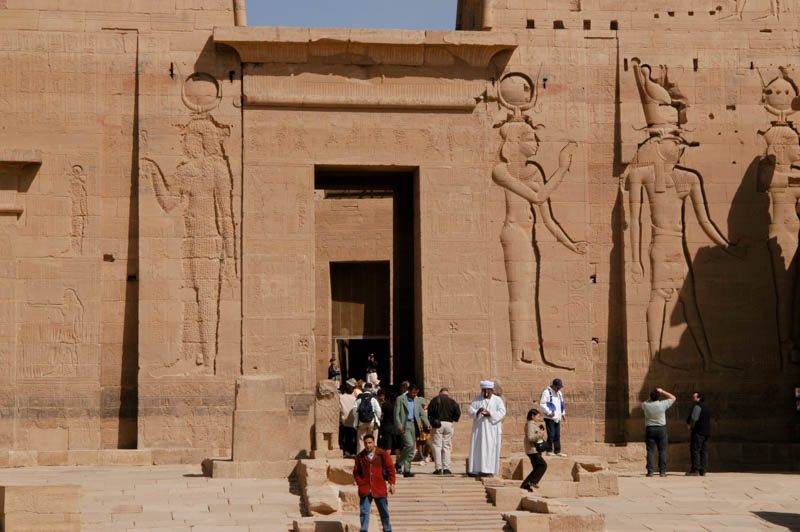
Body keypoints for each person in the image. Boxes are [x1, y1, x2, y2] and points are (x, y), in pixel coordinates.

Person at [353, 434, 395, 532]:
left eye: (370, 443)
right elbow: (356, 472)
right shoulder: (360, 457)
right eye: (366, 443)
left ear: (374, 443)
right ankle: (364, 530)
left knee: (384, 512)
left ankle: (387, 529)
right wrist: (360, 483)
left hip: (379, 488)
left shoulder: (382, 454)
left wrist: (392, 484)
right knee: (364, 512)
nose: (368, 445)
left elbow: (391, 469)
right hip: (365, 489)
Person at [467, 380, 506, 476]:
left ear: (491, 390)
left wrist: (491, 414)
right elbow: (470, 410)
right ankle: (476, 469)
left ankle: (488, 470)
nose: (486, 393)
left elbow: (502, 412)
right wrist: (477, 411)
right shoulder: (477, 399)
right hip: (479, 429)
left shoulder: (497, 400)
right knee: (478, 448)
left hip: (492, 429)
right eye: (484, 390)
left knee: (490, 448)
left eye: (488, 390)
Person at [393, 383, 430, 477]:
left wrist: (427, 424)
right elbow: (396, 414)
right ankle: (398, 463)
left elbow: (421, 413)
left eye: (416, 393)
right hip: (404, 425)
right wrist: (399, 426)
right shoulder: (400, 399)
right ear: (409, 391)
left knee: (411, 448)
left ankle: (407, 470)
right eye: (413, 393)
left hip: (414, 425)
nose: (414, 395)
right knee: (409, 445)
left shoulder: (417, 400)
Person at [641, 387, 676, 477]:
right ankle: (662, 471)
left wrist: (651, 397)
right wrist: (662, 391)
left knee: (650, 451)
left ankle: (650, 471)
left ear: (650, 397)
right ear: (658, 397)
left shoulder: (646, 405)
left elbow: (645, 402)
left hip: (650, 429)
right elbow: (673, 398)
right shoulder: (662, 404)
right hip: (661, 429)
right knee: (662, 451)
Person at [427, 387, 461, 475]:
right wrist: (453, 418)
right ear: (447, 393)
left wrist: (431, 422)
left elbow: (429, 413)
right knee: (447, 446)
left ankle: (438, 468)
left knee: (437, 446)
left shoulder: (435, 400)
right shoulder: (452, 401)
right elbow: (457, 413)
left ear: (440, 393)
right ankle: (446, 468)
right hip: (449, 424)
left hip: (437, 424)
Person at [521, 408, 548, 491]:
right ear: (532, 416)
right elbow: (530, 437)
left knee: (537, 468)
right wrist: (541, 434)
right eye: (537, 416)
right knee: (543, 465)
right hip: (532, 450)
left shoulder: (533, 424)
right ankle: (533, 482)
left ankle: (525, 485)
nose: (538, 418)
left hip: (534, 450)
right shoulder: (530, 424)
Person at [539, 378, 567, 456]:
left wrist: (563, 414)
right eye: (557, 387)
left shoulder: (559, 393)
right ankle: (549, 450)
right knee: (551, 434)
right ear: (553, 386)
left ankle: (557, 451)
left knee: (557, 434)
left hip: (557, 417)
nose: (558, 389)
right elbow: (542, 404)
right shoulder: (546, 392)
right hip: (549, 417)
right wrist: (549, 412)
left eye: (559, 387)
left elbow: (561, 404)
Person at [353, 382, 382, 454]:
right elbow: (378, 411)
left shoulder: (359, 398)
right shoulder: (373, 398)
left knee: (361, 440)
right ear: (371, 389)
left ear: (364, 389)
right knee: (373, 440)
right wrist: (377, 418)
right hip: (372, 422)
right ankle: (372, 455)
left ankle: (361, 456)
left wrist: (357, 420)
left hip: (361, 422)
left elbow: (355, 411)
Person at [686, 391, 710, 476]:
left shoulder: (697, 406)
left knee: (695, 450)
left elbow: (694, 418)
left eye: (694, 397)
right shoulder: (706, 406)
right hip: (706, 432)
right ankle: (703, 470)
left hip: (698, 431)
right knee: (704, 451)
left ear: (699, 398)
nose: (693, 399)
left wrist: (690, 426)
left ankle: (695, 470)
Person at [339, 378, 358, 457]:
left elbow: (339, 409)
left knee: (346, 437)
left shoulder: (341, 397)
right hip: (353, 421)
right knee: (353, 437)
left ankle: (346, 451)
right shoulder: (356, 399)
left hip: (345, 421)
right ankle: (352, 451)